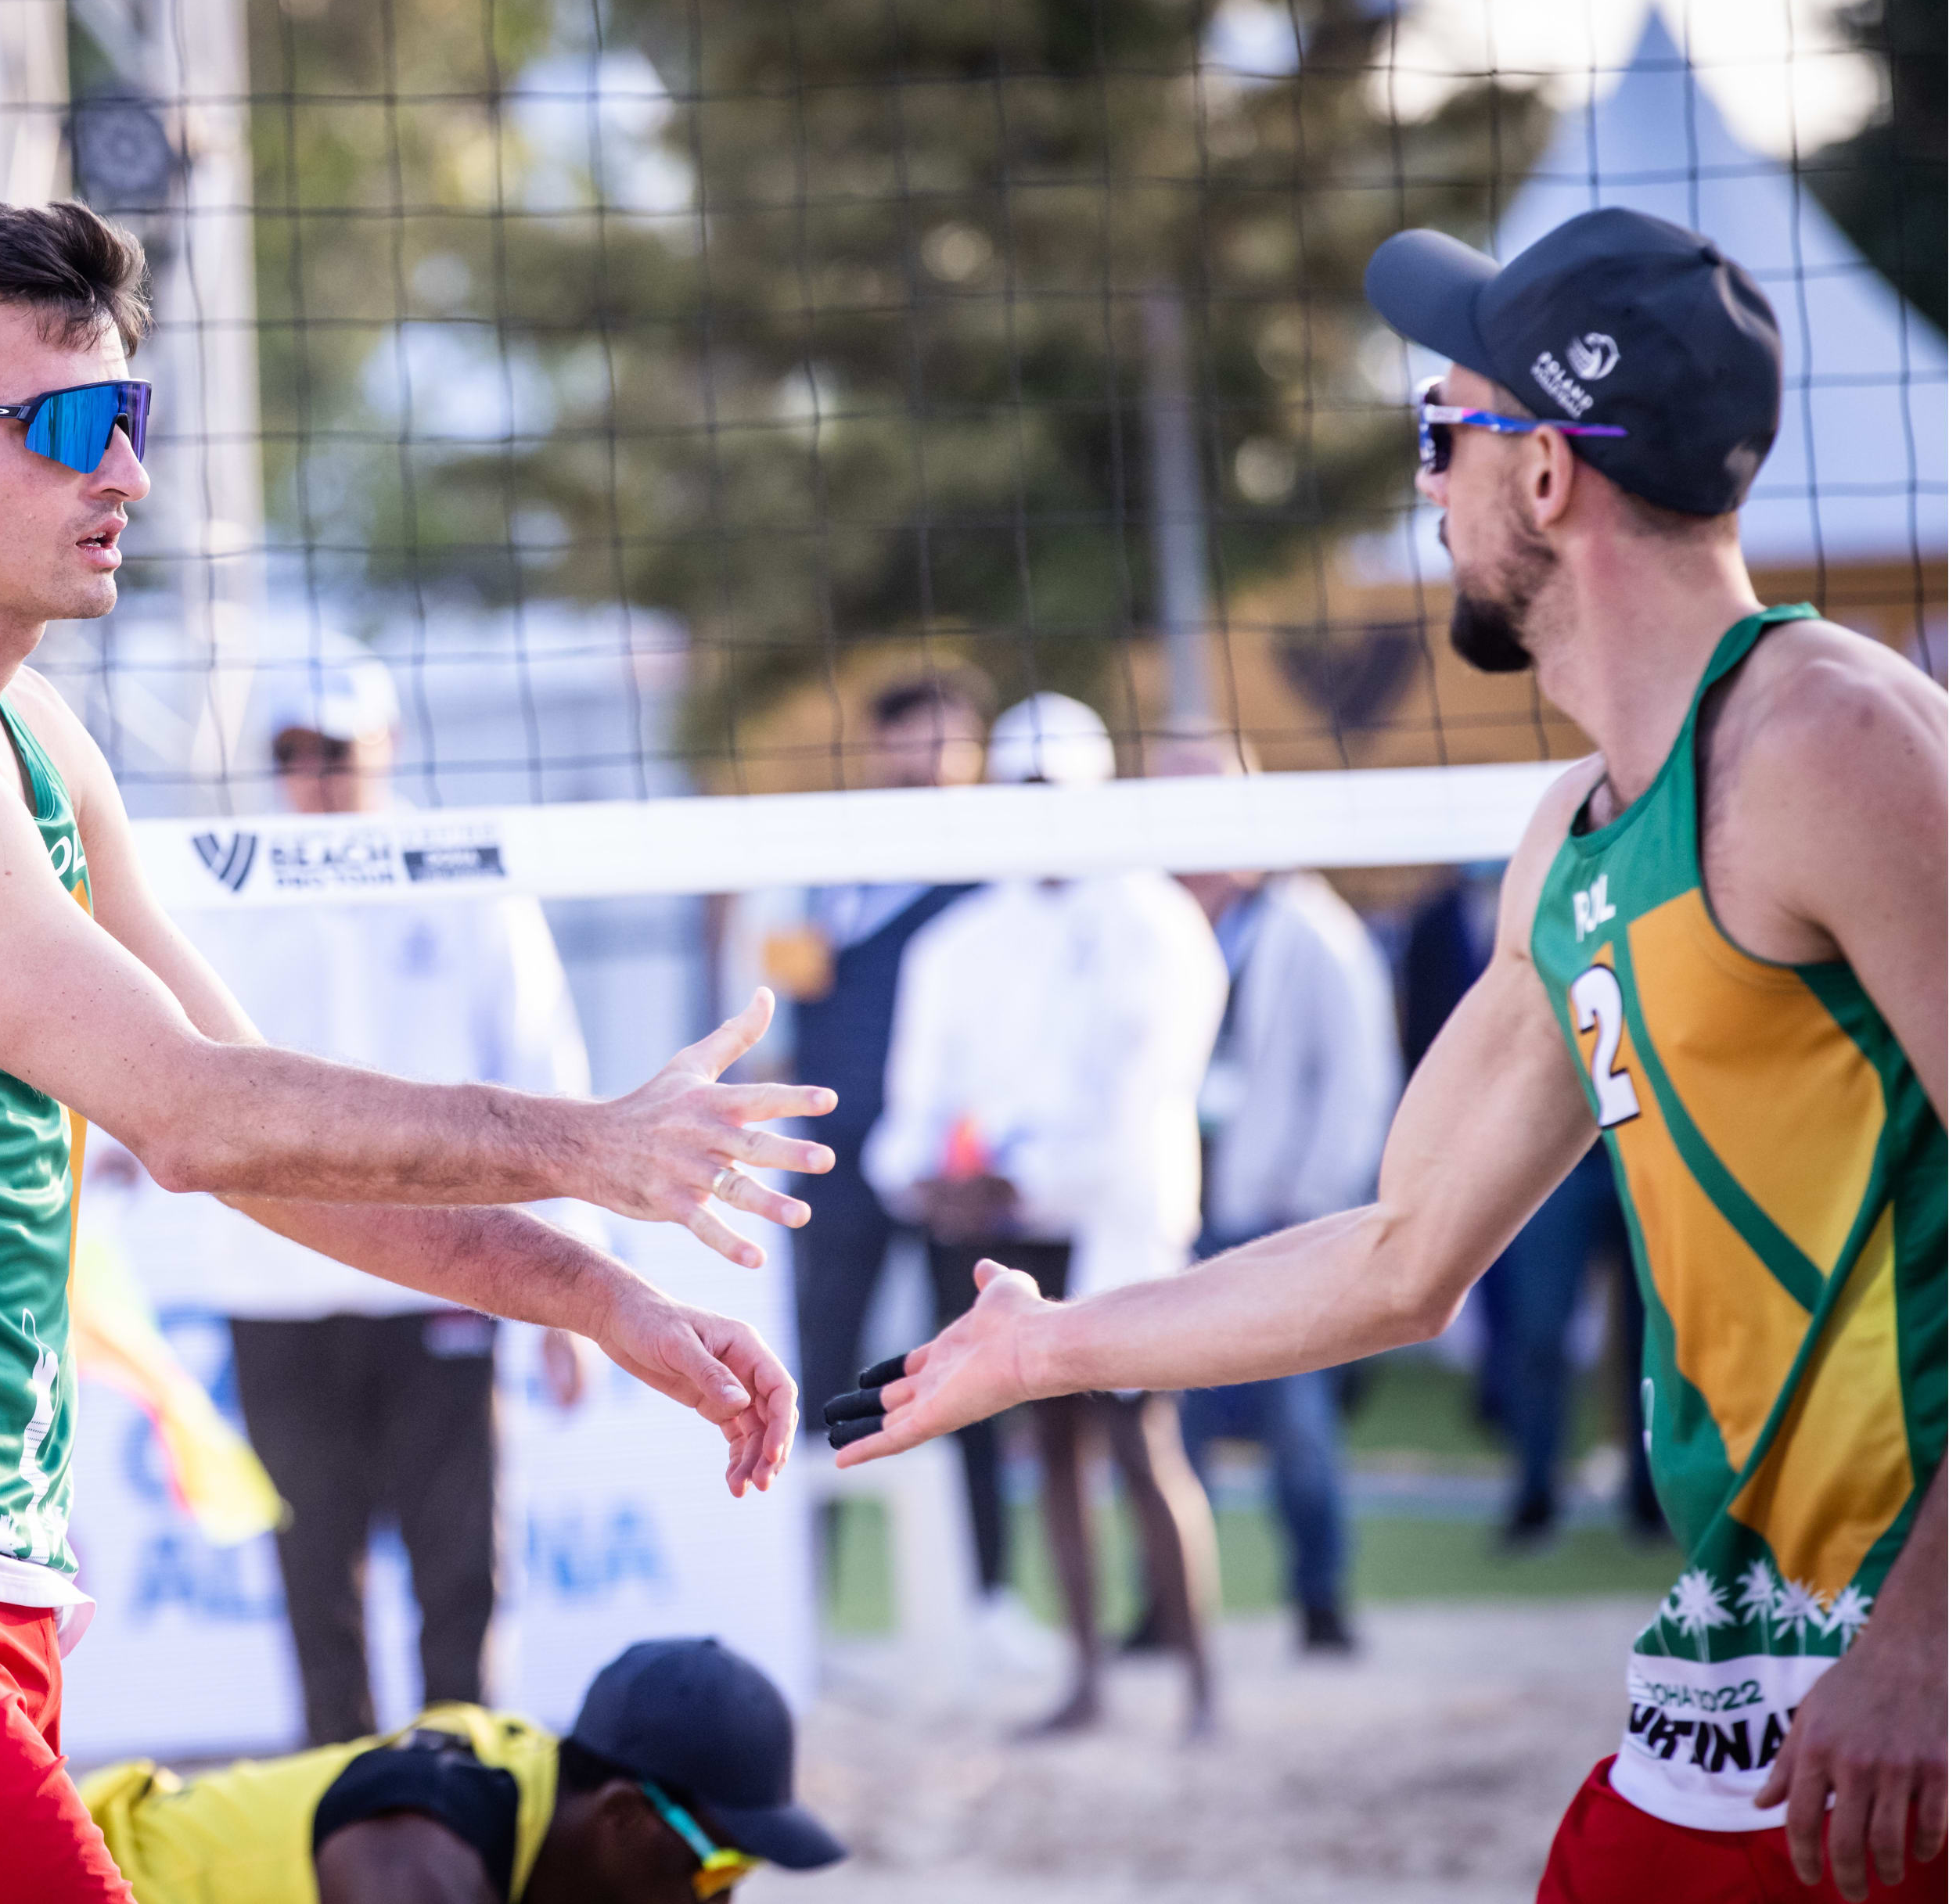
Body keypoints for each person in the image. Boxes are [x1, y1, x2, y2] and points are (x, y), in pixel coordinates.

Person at [0, 191, 834, 1904]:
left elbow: (260, 1136)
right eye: (67, 423)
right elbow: (197, 1119)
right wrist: (588, 1142)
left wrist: (594, 1289)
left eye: (132, 417)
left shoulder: (39, 746)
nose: (125, 471)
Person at [832, 207, 1944, 1903]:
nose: (1425, 490)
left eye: (1443, 435)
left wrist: (1929, 1637)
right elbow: (1401, 1253)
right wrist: (1052, 1346)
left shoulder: (1832, 743)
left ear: (1553, 479)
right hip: (1754, 1647)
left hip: (1907, 1647)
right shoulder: (1576, 839)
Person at [149, 641, 597, 1744]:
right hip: (276, 1288)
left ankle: (465, 1802)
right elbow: (167, 1065)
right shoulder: (224, 886)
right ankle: (354, 1823)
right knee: (317, 1592)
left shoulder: (468, 880)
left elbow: (551, 1079)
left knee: (462, 1577)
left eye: (336, 751)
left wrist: (577, 1284)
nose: (314, 774)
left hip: (442, 1278)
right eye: (292, 751)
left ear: (387, 748)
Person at [861, 692, 1228, 1737]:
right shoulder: (960, 940)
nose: (1039, 812)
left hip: (1116, 1222)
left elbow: (1143, 1106)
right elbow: (906, 1119)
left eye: (1055, 791)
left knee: (1143, 1442)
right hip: (1004, 1235)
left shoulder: (1157, 925)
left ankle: (1201, 1681)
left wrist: (1015, 1178)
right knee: (1054, 1450)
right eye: (1022, 792)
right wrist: (929, 1178)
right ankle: (1087, 1680)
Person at [1152, 734, 1401, 1656]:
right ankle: (1170, 1610)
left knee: (1299, 1422)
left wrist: (1319, 1201)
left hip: (1281, 1217)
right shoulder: (1146, 919)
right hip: (1174, 1212)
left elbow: (1358, 1076)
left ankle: (1321, 1601)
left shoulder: (1310, 926)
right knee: (1166, 1423)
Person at [775, 670, 1004, 1606]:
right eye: (915, 738)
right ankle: (801, 1597)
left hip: (959, 1165)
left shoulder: (1001, 871)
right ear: (881, 747)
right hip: (839, 1156)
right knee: (819, 1374)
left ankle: (989, 1594)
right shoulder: (833, 865)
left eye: (952, 741)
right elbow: (788, 992)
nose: (934, 760)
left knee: (985, 1369)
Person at [80, 1636, 847, 1903]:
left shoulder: (524, 1784)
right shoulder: (417, 1860)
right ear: (623, 1816)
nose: (722, 1903)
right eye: (717, 1873)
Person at [1405, 865, 1668, 1551]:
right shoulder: (1465, 919)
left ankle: (1653, 1494)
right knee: (1537, 1330)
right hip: (1547, 1152)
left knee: (1656, 1333)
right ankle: (1535, 1490)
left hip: (1642, 1140)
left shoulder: (1637, 876)